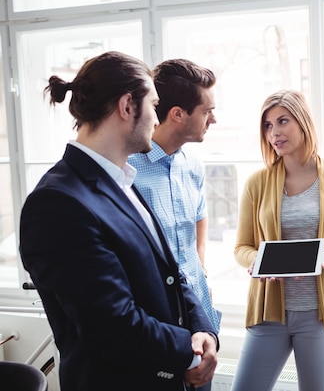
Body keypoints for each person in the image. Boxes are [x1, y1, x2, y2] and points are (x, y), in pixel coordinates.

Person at [19, 51, 219, 391]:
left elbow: (172, 272)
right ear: (128, 106)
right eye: (153, 106)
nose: (157, 120)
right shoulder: (57, 203)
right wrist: (188, 349)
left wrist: (203, 330)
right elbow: (112, 326)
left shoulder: (122, 179)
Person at [231, 89, 324, 391]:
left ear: (303, 122)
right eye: (268, 125)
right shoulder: (257, 183)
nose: (274, 132)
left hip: (319, 315)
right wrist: (259, 262)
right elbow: (241, 249)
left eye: (282, 121)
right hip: (269, 312)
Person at [128, 59, 222, 391]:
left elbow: (199, 216)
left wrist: (202, 268)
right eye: (207, 110)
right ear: (178, 114)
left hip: (199, 313)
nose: (214, 118)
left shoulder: (192, 164)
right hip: (159, 322)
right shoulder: (128, 169)